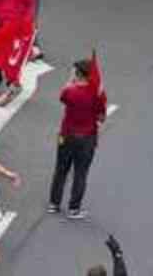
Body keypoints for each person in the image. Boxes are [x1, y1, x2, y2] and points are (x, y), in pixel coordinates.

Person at [48, 58, 107, 219]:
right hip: (87, 138)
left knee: (61, 170)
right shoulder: (97, 93)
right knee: (81, 173)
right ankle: (74, 208)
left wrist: (70, 81)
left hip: (66, 135)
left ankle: (54, 203)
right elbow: (101, 117)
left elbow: (63, 97)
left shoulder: (69, 91)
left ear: (78, 73)